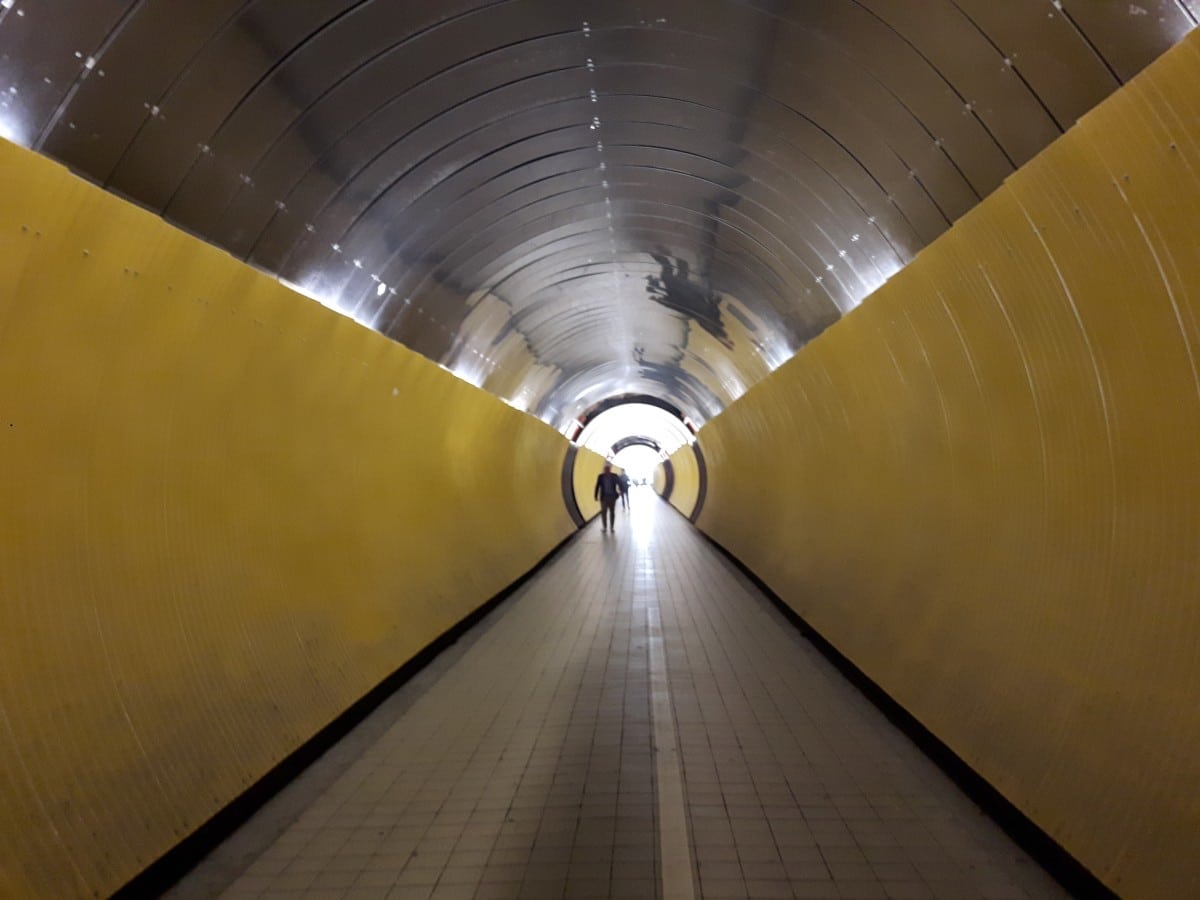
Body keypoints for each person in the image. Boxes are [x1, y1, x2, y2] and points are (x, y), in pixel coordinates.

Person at [594, 463, 622, 532]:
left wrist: (620, 491)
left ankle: (612, 527)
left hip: (612, 497)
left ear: (610, 469)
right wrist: (595, 495)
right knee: (604, 512)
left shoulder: (614, 476)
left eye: (608, 469)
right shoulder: (600, 476)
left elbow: (620, 483)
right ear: (604, 469)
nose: (606, 470)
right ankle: (604, 527)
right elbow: (597, 486)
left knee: (612, 512)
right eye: (605, 469)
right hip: (604, 498)